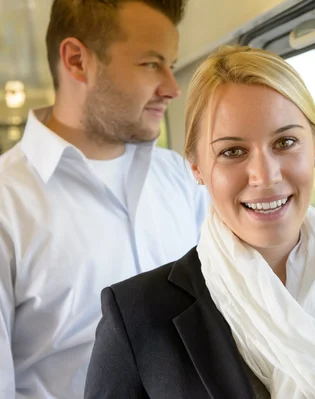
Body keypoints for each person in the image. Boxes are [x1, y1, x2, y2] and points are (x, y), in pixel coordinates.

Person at [84, 45, 315, 399]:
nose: (264, 175)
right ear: (196, 167)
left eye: (285, 142)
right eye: (232, 151)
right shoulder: (137, 317)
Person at [0, 1, 209, 398]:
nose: (172, 87)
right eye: (151, 64)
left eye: (172, 64)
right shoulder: (6, 204)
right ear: (77, 61)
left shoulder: (184, 178)